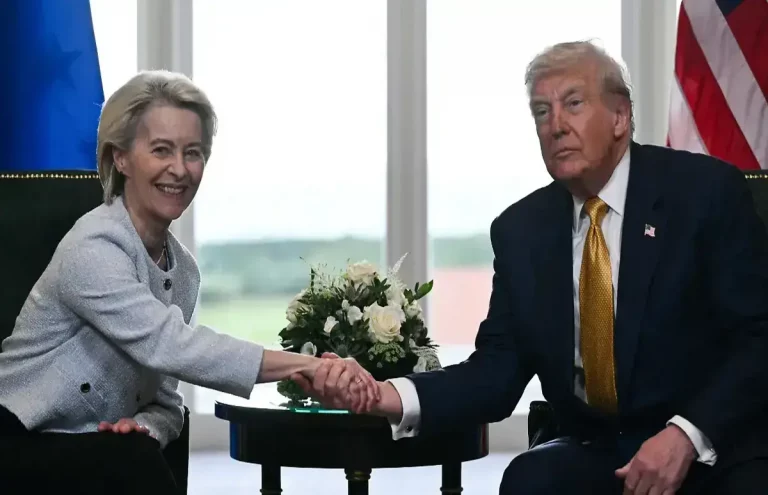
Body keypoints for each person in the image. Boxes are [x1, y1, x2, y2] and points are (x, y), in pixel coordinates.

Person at [296, 41, 768, 494]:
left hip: (708, 444)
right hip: (599, 447)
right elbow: (496, 375)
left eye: (574, 104)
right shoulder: (522, 230)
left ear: (620, 116)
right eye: (542, 112)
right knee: (531, 480)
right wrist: (382, 394)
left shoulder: (703, 195)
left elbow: (757, 338)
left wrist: (685, 435)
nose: (555, 125)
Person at [0, 70, 378, 494]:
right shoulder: (93, 245)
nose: (179, 170)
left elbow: (166, 402)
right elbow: (172, 344)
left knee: (134, 455)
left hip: (91, 444)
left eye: (192, 153)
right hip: (15, 436)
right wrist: (310, 365)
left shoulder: (183, 271)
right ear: (120, 157)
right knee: (132, 465)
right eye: (161, 150)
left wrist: (144, 426)